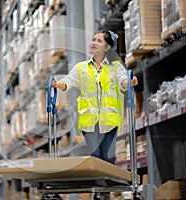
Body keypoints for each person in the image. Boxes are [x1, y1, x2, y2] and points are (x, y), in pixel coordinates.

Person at [52, 30, 138, 164]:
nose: (94, 43)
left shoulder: (115, 67)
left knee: (108, 157)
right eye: (93, 40)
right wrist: (57, 84)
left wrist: (130, 82)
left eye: (99, 41)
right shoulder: (81, 68)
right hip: (89, 119)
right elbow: (68, 82)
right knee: (95, 157)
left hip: (110, 119)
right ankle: (100, 183)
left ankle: (108, 183)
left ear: (107, 46)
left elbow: (123, 82)